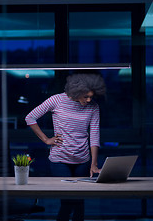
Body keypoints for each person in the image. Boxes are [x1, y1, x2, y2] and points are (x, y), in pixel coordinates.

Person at [25, 73, 106, 221]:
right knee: (68, 200)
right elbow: (30, 117)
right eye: (86, 97)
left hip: (83, 160)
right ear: (76, 92)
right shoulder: (56, 100)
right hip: (60, 160)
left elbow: (94, 135)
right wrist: (46, 140)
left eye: (91, 96)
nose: (89, 100)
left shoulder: (93, 107)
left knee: (80, 202)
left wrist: (94, 164)